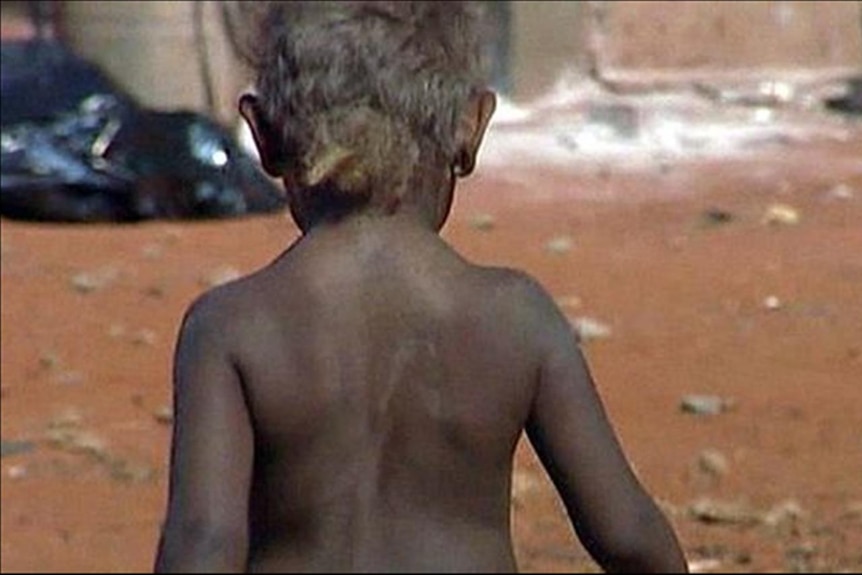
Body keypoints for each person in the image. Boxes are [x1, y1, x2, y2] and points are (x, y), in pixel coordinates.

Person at [153, 2, 688, 572]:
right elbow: (628, 536)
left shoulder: (233, 326)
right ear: (472, 125)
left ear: (264, 135)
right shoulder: (514, 317)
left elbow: (204, 546)